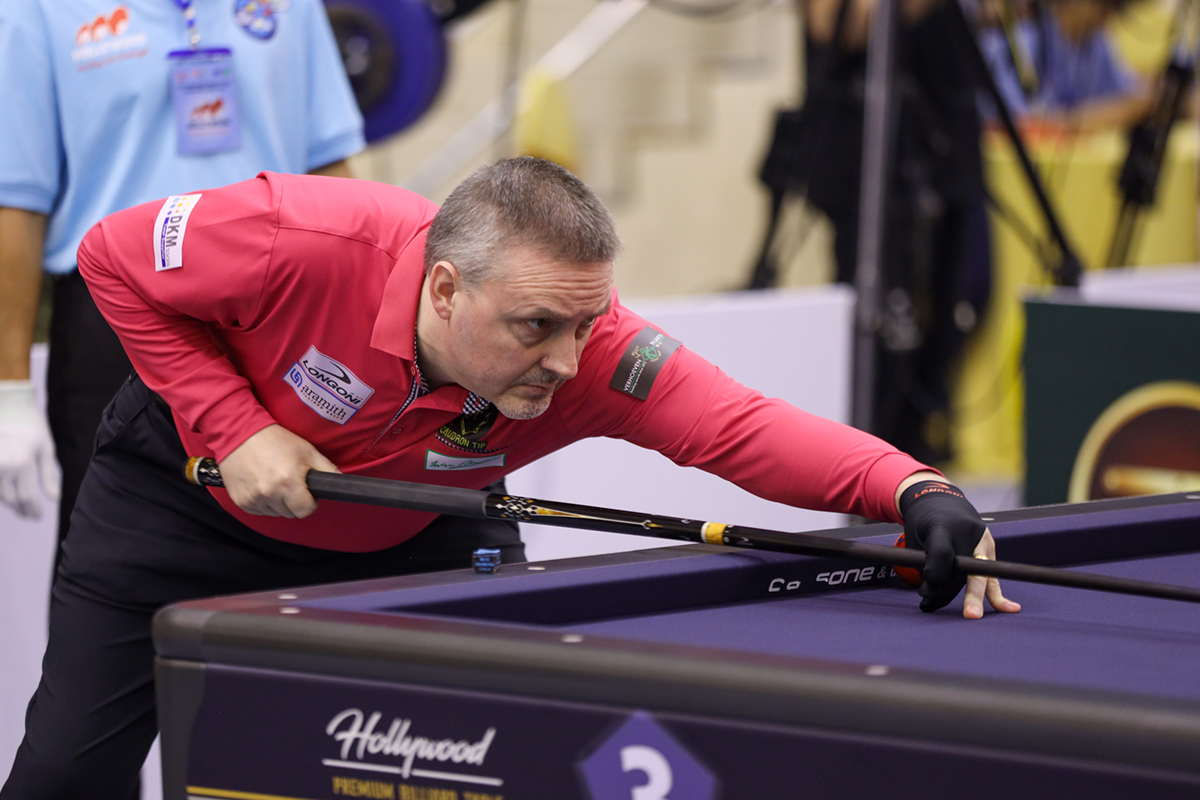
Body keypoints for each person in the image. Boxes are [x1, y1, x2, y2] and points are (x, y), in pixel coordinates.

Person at [1, 157, 1020, 799]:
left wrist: (915, 490)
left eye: (585, 323)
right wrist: (237, 424)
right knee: (63, 774)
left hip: (426, 533)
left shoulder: (589, 354)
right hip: (178, 499)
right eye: (536, 326)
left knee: (482, 758)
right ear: (445, 290)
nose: (568, 361)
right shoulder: (296, 237)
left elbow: (741, 427)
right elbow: (110, 256)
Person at [0, 0, 366, 556]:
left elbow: (329, 167)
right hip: (118, 318)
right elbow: (15, 204)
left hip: (277, 309)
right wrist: (10, 392)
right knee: (114, 555)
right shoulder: (37, 10)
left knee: (287, 531)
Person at [980, 0, 1153, 132]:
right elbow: (1029, 125)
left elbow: (1127, 93)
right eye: (1104, 5)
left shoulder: (1098, 42)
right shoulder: (1025, 42)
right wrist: (1116, 112)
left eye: (1115, 8)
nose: (1109, 16)